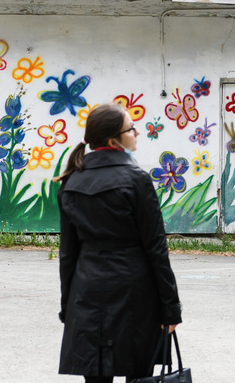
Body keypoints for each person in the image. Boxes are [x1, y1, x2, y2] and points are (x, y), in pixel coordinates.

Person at [57, 103, 182, 382]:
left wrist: (69, 307)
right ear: (114, 140)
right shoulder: (136, 179)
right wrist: (171, 308)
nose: (136, 133)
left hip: (87, 289)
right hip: (134, 290)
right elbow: (156, 248)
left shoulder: (70, 181)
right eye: (131, 128)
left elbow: (68, 255)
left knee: (95, 373)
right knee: (139, 371)